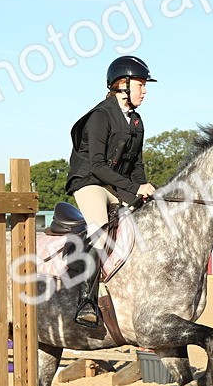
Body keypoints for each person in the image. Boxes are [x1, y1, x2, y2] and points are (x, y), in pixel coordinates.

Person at [63, 55, 157, 326]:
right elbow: (97, 166)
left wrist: (145, 191)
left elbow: (136, 165)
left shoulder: (137, 122)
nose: (145, 90)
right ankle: (86, 302)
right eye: (141, 85)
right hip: (90, 182)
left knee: (147, 220)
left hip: (114, 184)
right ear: (122, 85)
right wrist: (133, 188)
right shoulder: (100, 117)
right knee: (101, 231)